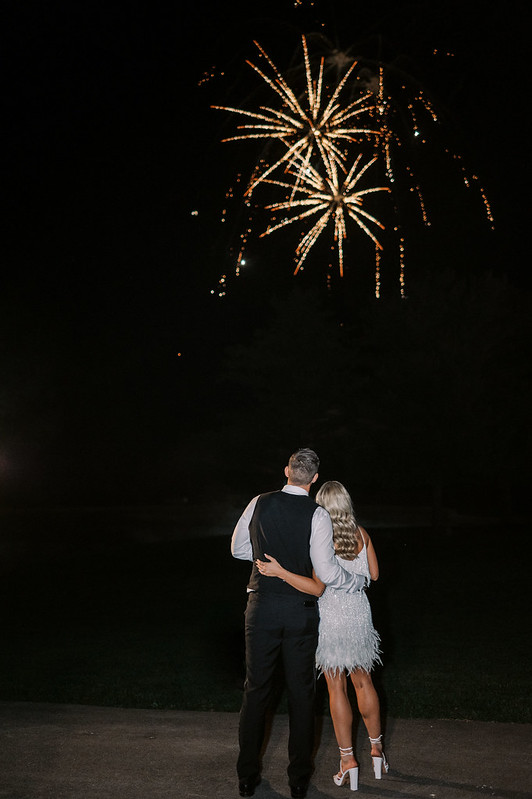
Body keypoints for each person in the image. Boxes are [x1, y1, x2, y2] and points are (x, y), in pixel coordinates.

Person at [231, 450, 367, 799]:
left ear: (287, 471)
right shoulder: (317, 514)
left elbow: (237, 549)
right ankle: (298, 780)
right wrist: (355, 582)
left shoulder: (259, 502)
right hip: (299, 611)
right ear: (314, 479)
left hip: (260, 608)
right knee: (302, 694)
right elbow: (327, 572)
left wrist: (263, 557)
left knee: (256, 690)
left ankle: (247, 778)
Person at [257, 480, 388, 792]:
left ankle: (347, 762)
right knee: (363, 680)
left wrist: (281, 573)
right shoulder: (361, 533)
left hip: (330, 615)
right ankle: (377, 752)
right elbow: (375, 575)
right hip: (358, 612)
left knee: (335, 686)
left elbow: (317, 587)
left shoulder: (320, 539)